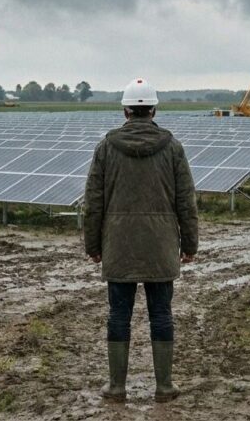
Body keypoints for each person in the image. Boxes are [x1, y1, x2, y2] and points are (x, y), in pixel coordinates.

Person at [83, 77, 199, 403]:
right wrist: (189, 245)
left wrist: (92, 245)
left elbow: (93, 202)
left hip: (118, 246)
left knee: (118, 315)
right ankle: (164, 387)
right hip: (160, 247)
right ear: (153, 109)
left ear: (125, 111)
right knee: (161, 314)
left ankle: (116, 388)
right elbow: (186, 202)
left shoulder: (106, 148)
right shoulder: (173, 148)